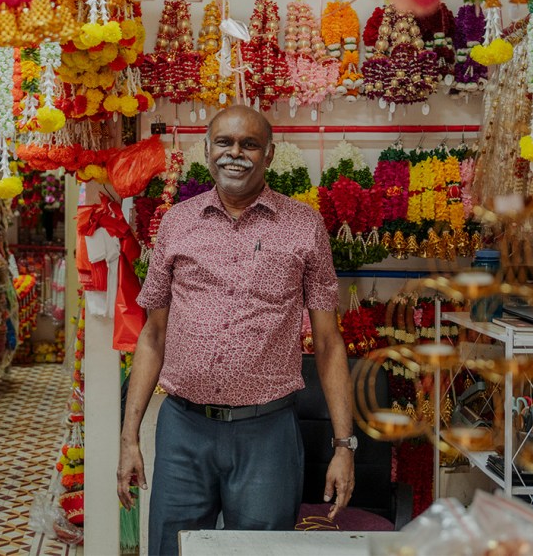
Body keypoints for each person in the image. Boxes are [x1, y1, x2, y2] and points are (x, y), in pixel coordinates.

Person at [117, 105, 355, 555]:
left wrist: (344, 445)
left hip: (267, 435)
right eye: (224, 143)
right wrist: (129, 438)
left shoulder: (303, 226)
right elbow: (153, 334)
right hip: (183, 430)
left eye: (249, 144)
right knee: (173, 548)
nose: (235, 154)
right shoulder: (176, 222)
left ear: (269, 155)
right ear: (206, 151)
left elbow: (327, 341)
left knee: (259, 551)